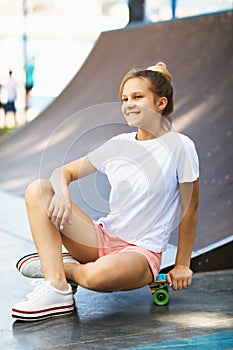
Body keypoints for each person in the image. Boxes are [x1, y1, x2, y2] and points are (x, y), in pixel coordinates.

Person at [12, 62, 199, 322]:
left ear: (161, 103)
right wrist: (62, 192)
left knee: (96, 277)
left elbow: (190, 209)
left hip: (140, 252)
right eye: (124, 99)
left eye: (137, 97)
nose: (129, 104)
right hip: (101, 239)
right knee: (38, 190)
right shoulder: (117, 145)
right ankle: (57, 286)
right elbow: (62, 172)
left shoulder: (180, 146)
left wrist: (182, 264)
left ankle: (58, 266)